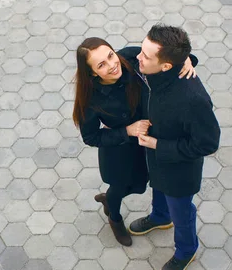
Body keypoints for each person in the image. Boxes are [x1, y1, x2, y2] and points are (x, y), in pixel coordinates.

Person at [72, 38, 195, 247]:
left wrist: (185, 61)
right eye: (101, 65)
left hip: (148, 143)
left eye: (110, 55)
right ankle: (114, 216)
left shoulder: (129, 56)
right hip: (120, 152)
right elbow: (91, 137)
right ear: (92, 73)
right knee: (120, 188)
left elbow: (160, 59)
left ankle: (108, 199)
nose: (112, 65)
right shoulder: (91, 99)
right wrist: (127, 131)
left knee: (140, 185)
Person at [122, 25, 221, 270]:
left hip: (179, 170)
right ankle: (159, 217)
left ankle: (186, 250)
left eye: (145, 55)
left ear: (166, 66)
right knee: (158, 188)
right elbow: (124, 55)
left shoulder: (193, 99)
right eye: (142, 49)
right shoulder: (152, 67)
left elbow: (207, 143)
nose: (138, 58)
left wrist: (159, 146)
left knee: (182, 210)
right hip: (156, 158)